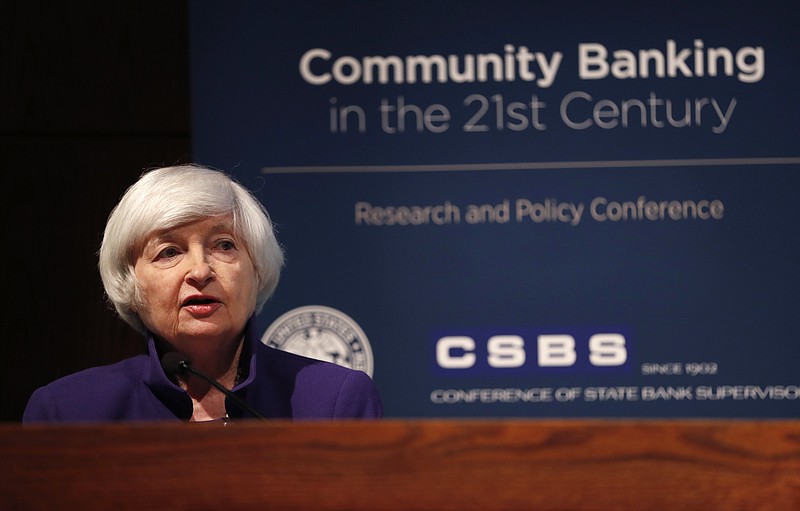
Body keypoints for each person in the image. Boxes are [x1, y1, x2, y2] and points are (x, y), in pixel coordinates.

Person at [23, 165, 382, 423]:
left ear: (257, 270)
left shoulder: (333, 401)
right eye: (169, 252)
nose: (200, 271)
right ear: (130, 285)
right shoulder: (68, 411)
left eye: (224, 245)